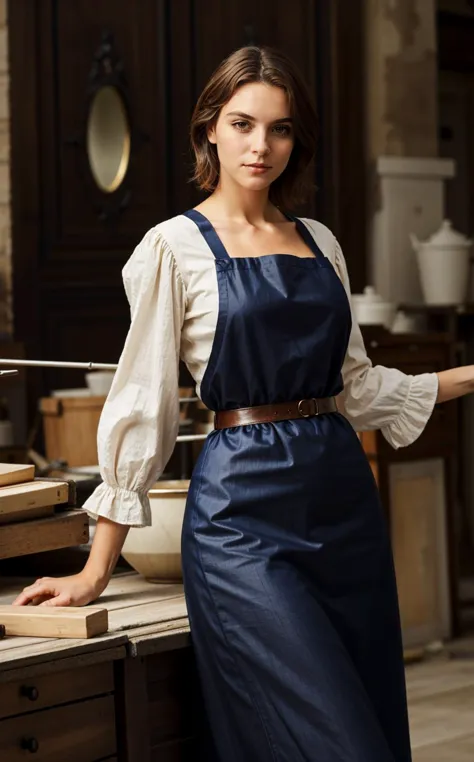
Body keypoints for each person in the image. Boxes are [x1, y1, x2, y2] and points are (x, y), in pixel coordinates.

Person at [13, 46, 474, 761]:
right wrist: (95, 569)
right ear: (210, 130)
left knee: (371, 727)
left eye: (281, 129)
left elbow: (356, 388)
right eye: (243, 123)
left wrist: (467, 376)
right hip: (242, 524)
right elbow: (144, 405)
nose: (262, 145)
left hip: (343, 511)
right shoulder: (173, 247)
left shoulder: (320, 242)